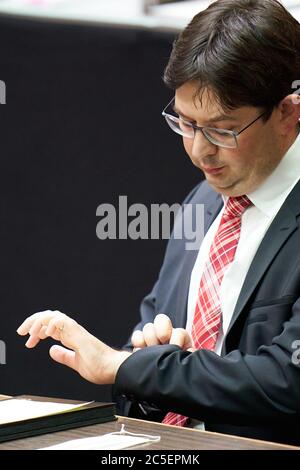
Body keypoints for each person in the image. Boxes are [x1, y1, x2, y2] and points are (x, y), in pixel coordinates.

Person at [17, 0, 300, 445]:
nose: (199, 152)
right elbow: (148, 369)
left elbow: (288, 381)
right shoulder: (205, 201)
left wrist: (133, 367)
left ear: (288, 111)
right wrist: (156, 368)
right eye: (186, 124)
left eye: (223, 131)